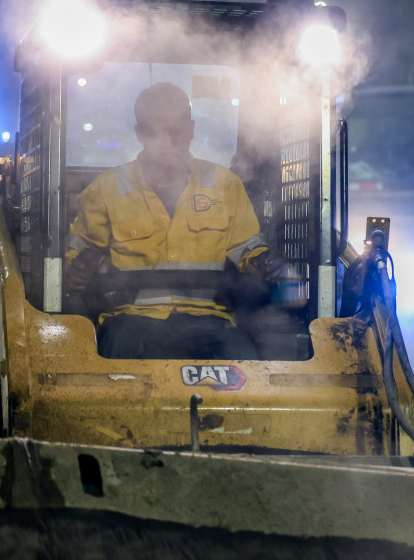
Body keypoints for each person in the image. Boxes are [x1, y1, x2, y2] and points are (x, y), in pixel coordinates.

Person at [64, 82, 286, 360]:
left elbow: (247, 247)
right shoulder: (106, 189)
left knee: (239, 354)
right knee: (116, 355)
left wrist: (264, 261)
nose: (168, 140)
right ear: (140, 133)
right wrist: (75, 270)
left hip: (209, 319)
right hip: (130, 320)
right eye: (156, 130)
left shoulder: (225, 185)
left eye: (176, 129)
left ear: (191, 129)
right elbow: (77, 253)